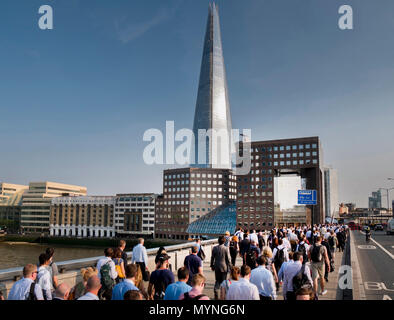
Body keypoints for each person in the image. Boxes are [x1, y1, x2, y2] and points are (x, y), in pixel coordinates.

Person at [210, 235, 232, 300]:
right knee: (223, 282)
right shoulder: (226, 248)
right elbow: (228, 259)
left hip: (217, 267)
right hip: (224, 267)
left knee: (217, 280)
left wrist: (212, 265)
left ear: (218, 241)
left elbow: (212, 258)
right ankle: (223, 296)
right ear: (224, 241)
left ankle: (216, 292)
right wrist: (231, 267)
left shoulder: (214, 248)